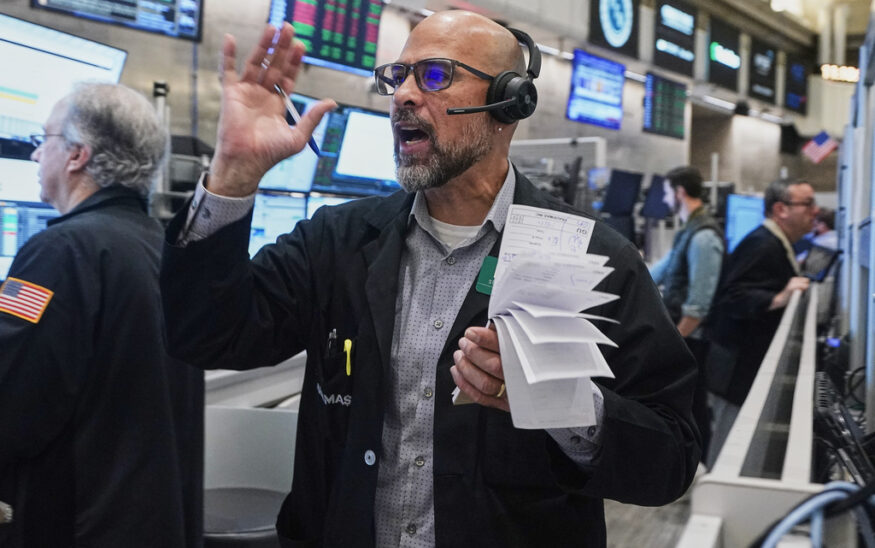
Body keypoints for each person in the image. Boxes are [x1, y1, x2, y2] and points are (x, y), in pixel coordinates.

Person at [161, 12, 699, 547]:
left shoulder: (592, 255)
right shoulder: (339, 241)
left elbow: (672, 455)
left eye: (436, 75)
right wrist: (233, 173)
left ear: (508, 106)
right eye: (399, 77)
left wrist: (565, 402)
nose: (404, 96)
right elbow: (206, 332)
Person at [0, 84, 204, 548]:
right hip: (153, 522)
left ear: (77, 154)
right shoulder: (163, 248)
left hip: (74, 523)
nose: (34, 156)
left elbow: (11, 397)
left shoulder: (58, 251)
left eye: (42, 139)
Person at [704, 179, 816, 466]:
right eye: (807, 204)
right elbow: (733, 296)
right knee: (730, 442)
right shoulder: (763, 244)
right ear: (781, 209)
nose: (815, 211)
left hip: (740, 363)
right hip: (736, 366)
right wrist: (780, 297)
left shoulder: (775, 242)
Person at [650, 165, 723, 462]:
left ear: (680, 192)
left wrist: (676, 340)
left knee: (694, 406)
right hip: (683, 336)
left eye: (668, 192)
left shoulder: (704, 237)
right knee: (683, 404)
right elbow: (659, 271)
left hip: (692, 338)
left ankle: (700, 464)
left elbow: (699, 304)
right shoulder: (689, 230)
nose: (666, 199)